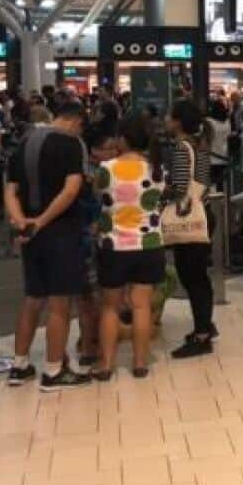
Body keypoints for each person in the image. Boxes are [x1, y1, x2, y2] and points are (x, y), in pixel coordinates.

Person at [4, 99, 92, 391]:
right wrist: (42, 220)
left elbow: (11, 190)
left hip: (30, 231)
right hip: (61, 230)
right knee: (59, 302)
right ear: (76, 122)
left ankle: (19, 365)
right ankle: (54, 370)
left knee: (32, 299)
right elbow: (70, 191)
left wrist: (22, 221)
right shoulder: (72, 144)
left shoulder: (24, 142)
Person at [93, 114, 165, 380]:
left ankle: (106, 363)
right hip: (148, 244)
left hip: (114, 245)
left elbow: (99, 196)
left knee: (110, 307)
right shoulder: (156, 168)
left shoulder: (107, 168)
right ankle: (140, 362)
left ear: (122, 139)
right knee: (141, 306)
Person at [166, 100, 216, 359]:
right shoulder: (201, 145)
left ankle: (202, 335)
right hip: (204, 214)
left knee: (191, 277)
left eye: (169, 116)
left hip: (187, 218)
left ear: (177, 121)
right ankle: (205, 325)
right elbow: (203, 183)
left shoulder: (180, 148)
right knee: (200, 276)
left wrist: (164, 195)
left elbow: (180, 187)